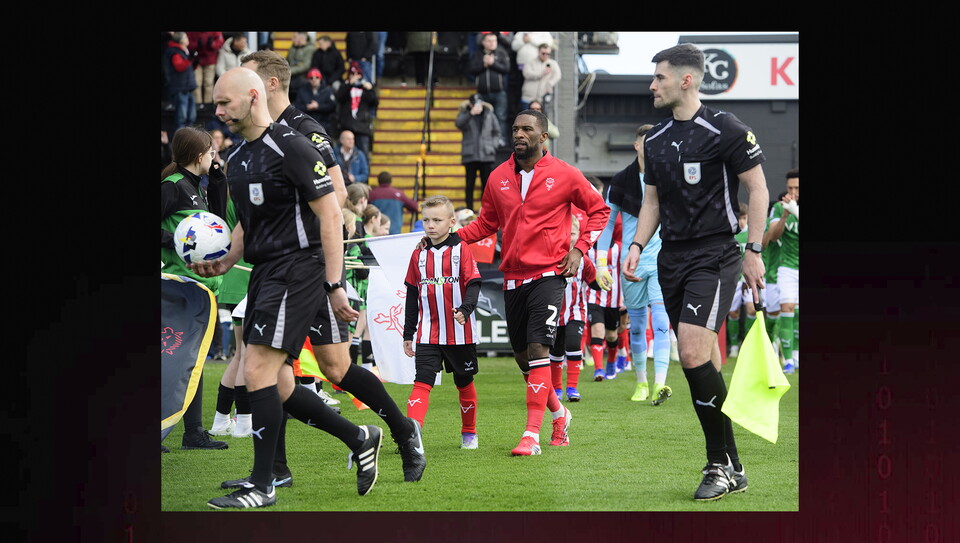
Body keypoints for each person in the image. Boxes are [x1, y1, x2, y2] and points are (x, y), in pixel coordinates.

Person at [196, 67, 424, 509]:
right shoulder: (240, 157)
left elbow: (333, 210)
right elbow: (248, 222)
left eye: (224, 102)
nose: (217, 111)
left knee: (302, 369)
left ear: (259, 91)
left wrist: (334, 284)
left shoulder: (299, 137)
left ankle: (270, 480)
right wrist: (225, 260)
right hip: (266, 272)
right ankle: (351, 441)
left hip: (301, 269)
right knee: (275, 377)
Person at [622, 44, 769, 501]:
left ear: (686, 80)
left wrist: (754, 250)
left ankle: (717, 463)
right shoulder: (656, 139)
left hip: (716, 254)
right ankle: (735, 465)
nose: (652, 85)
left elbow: (759, 189)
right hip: (671, 258)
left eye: (659, 78)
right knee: (703, 361)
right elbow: (651, 203)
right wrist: (636, 245)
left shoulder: (726, 129)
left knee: (689, 352)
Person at [456, 109, 610, 455]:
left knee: (540, 351)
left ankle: (531, 436)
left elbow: (600, 210)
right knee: (525, 360)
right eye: (515, 129)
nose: (519, 134)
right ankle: (560, 414)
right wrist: (451, 239)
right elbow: (485, 225)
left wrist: (580, 249)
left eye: (527, 129)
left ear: (544, 137)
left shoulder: (566, 174)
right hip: (512, 279)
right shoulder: (497, 177)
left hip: (549, 276)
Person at [160, 126, 230, 451]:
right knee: (171, 356)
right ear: (198, 155)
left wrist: (218, 180)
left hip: (200, 286)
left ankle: (194, 432)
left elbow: (216, 222)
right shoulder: (171, 186)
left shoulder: (197, 186)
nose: (214, 157)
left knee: (194, 358)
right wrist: (175, 242)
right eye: (211, 152)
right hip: (179, 286)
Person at [598, 124, 673, 404]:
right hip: (631, 263)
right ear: (636, 145)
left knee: (663, 321)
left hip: (662, 261)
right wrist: (601, 263)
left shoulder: (668, 178)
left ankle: (660, 384)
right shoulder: (620, 181)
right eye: (646, 142)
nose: (650, 146)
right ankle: (641, 383)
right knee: (637, 326)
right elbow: (606, 228)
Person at [402, 196, 483, 448]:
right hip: (427, 333)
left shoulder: (462, 250)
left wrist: (465, 309)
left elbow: (473, 283)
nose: (430, 225)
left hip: (459, 332)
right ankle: (412, 436)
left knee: (464, 382)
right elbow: (412, 294)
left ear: (451, 222)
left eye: (437, 220)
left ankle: (469, 432)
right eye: (426, 220)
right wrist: (408, 333)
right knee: (422, 381)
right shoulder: (419, 254)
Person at [239, 50, 347, 208]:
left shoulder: (305, 129)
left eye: (248, 81)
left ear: (272, 84)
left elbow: (338, 192)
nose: (241, 88)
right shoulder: (256, 131)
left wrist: (315, 232)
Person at [550, 216, 604, 402]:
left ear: (579, 235)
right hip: (553, 314)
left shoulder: (584, 261)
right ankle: (556, 389)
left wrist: (602, 280)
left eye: (572, 233)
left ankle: (572, 388)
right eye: (565, 233)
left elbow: (594, 283)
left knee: (573, 345)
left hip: (576, 312)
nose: (569, 237)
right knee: (555, 350)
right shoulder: (550, 258)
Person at [762, 169, 799, 373]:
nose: (793, 192)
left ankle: (796, 355)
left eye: (797, 188)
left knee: (798, 314)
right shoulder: (778, 208)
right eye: (790, 188)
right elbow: (773, 237)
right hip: (786, 267)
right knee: (787, 308)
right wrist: (785, 215)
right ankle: (788, 362)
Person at [455, 93, 500, 210]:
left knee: (486, 184)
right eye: (474, 104)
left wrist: (492, 146)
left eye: (479, 103)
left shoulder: (489, 114)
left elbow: (497, 132)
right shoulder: (465, 114)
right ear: (470, 105)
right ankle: (469, 209)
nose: (477, 106)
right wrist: (470, 114)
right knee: (470, 184)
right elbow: (458, 124)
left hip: (486, 154)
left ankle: (485, 209)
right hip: (470, 155)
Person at [465, 33, 510, 146]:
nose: (492, 43)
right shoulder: (478, 54)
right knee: (483, 117)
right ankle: (485, 140)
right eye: (489, 41)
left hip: (499, 92)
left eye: (494, 41)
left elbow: (506, 69)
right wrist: (483, 65)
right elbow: (471, 70)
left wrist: (493, 63)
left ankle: (500, 139)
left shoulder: (501, 53)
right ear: (483, 42)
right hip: (482, 93)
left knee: (501, 116)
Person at [726, 203, 756, 358]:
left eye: (744, 218)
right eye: (739, 218)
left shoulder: (752, 234)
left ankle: (747, 344)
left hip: (749, 279)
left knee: (752, 310)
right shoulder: (730, 235)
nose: (742, 221)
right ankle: (733, 347)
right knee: (733, 313)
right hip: (734, 280)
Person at [336, 63, 379, 157]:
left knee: (363, 156)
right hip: (347, 126)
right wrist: (349, 84)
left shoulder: (365, 88)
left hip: (362, 128)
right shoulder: (345, 86)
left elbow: (374, 102)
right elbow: (339, 97)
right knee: (343, 155)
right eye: (352, 73)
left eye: (357, 73)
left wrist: (370, 90)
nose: (355, 76)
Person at [164, 32, 197, 131]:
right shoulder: (175, 52)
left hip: (188, 88)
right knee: (181, 119)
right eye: (186, 37)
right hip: (180, 88)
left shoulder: (184, 51)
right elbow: (179, 67)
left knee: (191, 117)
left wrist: (195, 62)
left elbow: (188, 68)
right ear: (181, 40)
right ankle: (180, 142)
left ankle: (190, 140)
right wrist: (190, 59)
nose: (188, 38)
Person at [369, 171, 418, 235]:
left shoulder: (372, 194)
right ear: (390, 181)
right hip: (395, 232)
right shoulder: (399, 194)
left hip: (377, 231)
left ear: (378, 180)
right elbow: (414, 206)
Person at [294, 67, 337, 134]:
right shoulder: (302, 91)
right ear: (308, 79)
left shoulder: (327, 91)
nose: (314, 80)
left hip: (324, 124)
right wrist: (307, 107)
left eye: (316, 77)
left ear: (320, 78)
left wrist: (318, 106)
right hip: (306, 124)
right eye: (311, 78)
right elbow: (297, 106)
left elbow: (333, 106)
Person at [520, 43, 562, 111]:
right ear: (538, 52)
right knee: (526, 118)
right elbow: (526, 74)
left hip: (541, 98)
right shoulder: (530, 62)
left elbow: (558, 75)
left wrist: (550, 84)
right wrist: (541, 73)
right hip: (528, 97)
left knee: (541, 120)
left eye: (548, 54)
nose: (545, 55)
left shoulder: (552, 63)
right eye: (543, 53)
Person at [188, 31, 225, 108]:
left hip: (210, 60)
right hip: (196, 60)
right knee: (197, 82)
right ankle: (197, 104)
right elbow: (186, 43)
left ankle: (207, 104)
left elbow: (220, 42)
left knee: (208, 83)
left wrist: (212, 44)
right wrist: (197, 45)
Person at [285, 31, 316, 100]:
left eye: (295, 37)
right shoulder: (292, 48)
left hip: (303, 76)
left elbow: (306, 66)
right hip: (291, 75)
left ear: (301, 38)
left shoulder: (310, 49)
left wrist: (290, 71)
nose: (292, 39)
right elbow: (286, 61)